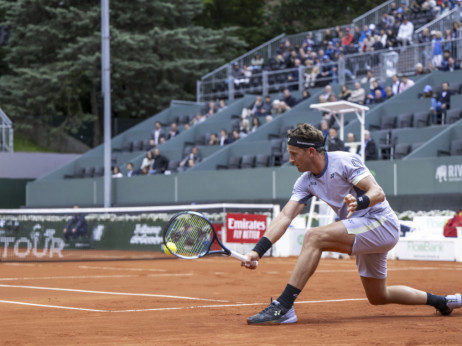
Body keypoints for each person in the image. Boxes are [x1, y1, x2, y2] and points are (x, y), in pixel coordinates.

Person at [243, 123, 461, 324]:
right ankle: (444, 301)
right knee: (378, 296)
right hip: (362, 228)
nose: (291, 160)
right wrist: (257, 251)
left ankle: (284, 306)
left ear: (311, 151)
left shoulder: (344, 161)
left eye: (294, 154)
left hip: (381, 223)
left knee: (313, 237)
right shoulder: (305, 181)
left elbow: (378, 192)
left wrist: (360, 201)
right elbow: (285, 216)